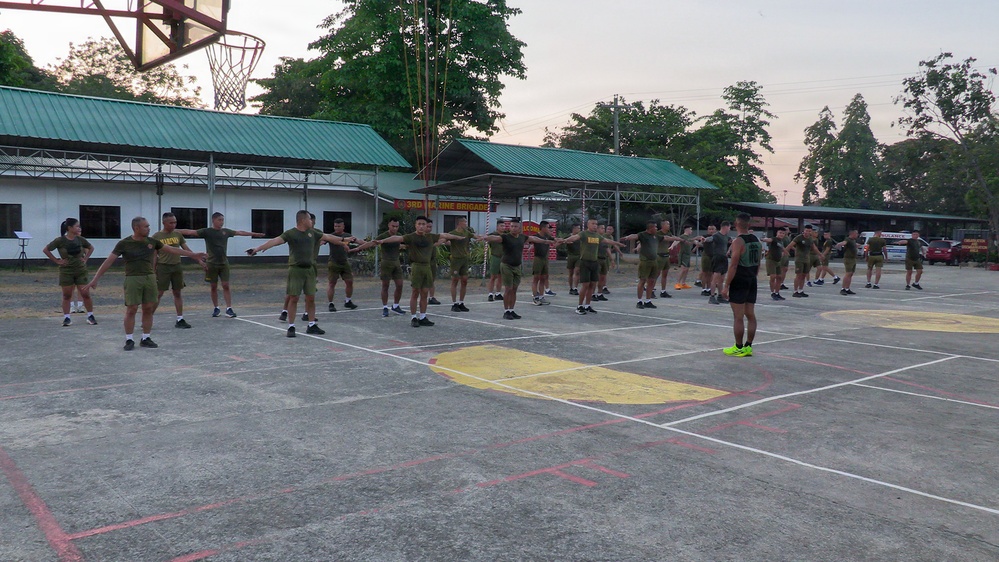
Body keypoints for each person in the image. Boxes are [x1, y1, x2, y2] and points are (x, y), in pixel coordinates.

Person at [87, 216, 207, 350]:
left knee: (148, 308)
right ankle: (129, 339)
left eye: (149, 226)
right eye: (146, 226)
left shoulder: (152, 241)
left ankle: (146, 337)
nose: (149, 229)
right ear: (136, 228)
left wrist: (193, 255)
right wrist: (95, 279)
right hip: (133, 278)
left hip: (149, 277)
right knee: (132, 309)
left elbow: (172, 249)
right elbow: (108, 261)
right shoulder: (124, 243)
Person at [247, 210, 353, 337]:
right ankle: (291, 327)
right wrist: (257, 249)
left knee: (311, 298)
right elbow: (275, 241)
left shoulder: (313, 233)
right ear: (303, 220)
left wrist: (344, 239)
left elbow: (329, 237)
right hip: (296, 269)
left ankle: (311, 325)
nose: (311, 221)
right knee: (294, 298)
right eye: (309, 219)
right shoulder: (291, 233)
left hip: (310, 269)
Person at [377, 216, 468, 327]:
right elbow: (396, 238)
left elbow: (445, 235)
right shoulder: (411, 237)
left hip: (427, 267)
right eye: (419, 224)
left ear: (426, 226)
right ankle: (413, 317)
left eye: (423, 224)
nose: (421, 226)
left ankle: (423, 317)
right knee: (415, 292)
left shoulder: (431, 237)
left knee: (425, 293)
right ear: (416, 225)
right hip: (416, 266)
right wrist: (382, 241)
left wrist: (458, 237)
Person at [177, 212, 263, 318]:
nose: (221, 222)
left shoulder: (226, 232)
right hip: (211, 264)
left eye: (222, 220)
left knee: (226, 285)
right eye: (219, 220)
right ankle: (216, 308)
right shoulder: (207, 231)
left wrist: (254, 234)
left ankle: (229, 308)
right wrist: (174, 230)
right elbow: (190, 231)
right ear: (213, 220)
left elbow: (240, 232)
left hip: (223, 263)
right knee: (213, 286)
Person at [478, 219, 555, 319]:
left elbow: (534, 238)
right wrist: (485, 237)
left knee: (514, 289)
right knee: (508, 289)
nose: (513, 228)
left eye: (515, 226)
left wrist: (547, 241)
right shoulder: (505, 237)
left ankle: (511, 310)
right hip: (506, 265)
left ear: (519, 228)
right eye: (512, 226)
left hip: (517, 266)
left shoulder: (522, 237)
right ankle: (506, 311)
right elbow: (495, 238)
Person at [558, 218, 625, 314]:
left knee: (592, 285)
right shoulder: (584, 234)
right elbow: (574, 237)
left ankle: (587, 305)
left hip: (594, 263)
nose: (595, 225)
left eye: (596, 224)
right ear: (588, 225)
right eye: (593, 224)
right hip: (585, 262)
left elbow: (607, 241)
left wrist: (617, 243)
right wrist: (565, 240)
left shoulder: (597, 236)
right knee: (585, 285)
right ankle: (579, 306)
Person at [721, 213, 762, 357]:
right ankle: (748, 346)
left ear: (736, 224)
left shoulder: (738, 241)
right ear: (749, 224)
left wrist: (726, 285)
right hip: (751, 278)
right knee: (750, 314)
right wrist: (754, 275)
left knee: (738, 316)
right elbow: (758, 261)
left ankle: (738, 346)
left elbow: (733, 265)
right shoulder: (756, 240)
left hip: (740, 279)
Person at [43, 217, 97, 326]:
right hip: (66, 271)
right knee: (67, 295)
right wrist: (57, 261)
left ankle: (90, 316)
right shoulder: (60, 240)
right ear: (69, 228)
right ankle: (67, 318)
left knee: (85, 293)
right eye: (77, 226)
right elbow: (46, 250)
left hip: (80, 270)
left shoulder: (80, 239)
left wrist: (86, 258)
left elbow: (91, 248)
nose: (79, 228)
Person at [151, 212, 201, 329]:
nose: (173, 225)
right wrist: (153, 270)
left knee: (177, 292)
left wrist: (198, 259)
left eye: (175, 222)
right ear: (164, 223)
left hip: (176, 266)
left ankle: (180, 319)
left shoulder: (178, 234)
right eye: (171, 223)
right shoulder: (156, 236)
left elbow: (186, 249)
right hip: (163, 267)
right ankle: (148, 317)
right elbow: (154, 255)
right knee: (159, 293)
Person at [620, 220, 661, 309]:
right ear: (650, 228)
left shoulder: (655, 236)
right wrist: (627, 237)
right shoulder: (643, 235)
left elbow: (667, 238)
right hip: (645, 261)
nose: (657, 228)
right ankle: (639, 301)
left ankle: (648, 301)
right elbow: (635, 236)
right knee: (642, 280)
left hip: (654, 261)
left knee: (651, 281)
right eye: (655, 227)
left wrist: (679, 239)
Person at [324, 218, 360, 312]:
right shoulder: (331, 236)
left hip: (344, 262)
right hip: (333, 262)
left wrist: (370, 243)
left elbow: (358, 241)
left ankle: (348, 301)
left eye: (339, 226)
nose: (337, 228)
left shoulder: (347, 236)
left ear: (343, 226)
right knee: (332, 283)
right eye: (335, 226)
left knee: (349, 281)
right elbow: (322, 241)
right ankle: (331, 303)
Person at [374, 218, 407, 317]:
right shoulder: (383, 236)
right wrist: (359, 247)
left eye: (397, 226)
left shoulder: (399, 235)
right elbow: (373, 243)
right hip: (386, 262)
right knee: (385, 285)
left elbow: (406, 243)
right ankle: (385, 307)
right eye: (393, 226)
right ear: (389, 225)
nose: (395, 228)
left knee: (400, 285)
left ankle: (396, 305)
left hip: (396, 262)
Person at [446, 217, 476, 312]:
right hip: (456, 259)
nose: (466, 224)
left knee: (464, 280)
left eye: (466, 222)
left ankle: (461, 302)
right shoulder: (452, 233)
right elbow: (445, 240)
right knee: (455, 280)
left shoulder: (467, 233)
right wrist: (448, 243)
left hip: (464, 259)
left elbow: (475, 236)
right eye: (464, 222)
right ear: (459, 223)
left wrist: (483, 237)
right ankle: (454, 303)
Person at [784, 225, 820, 298]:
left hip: (807, 259)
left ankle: (801, 290)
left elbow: (814, 248)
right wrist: (785, 252)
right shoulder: (799, 238)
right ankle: (795, 291)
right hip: (799, 259)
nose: (807, 232)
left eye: (809, 231)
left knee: (804, 275)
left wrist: (820, 255)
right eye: (806, 230)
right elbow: (790, 245)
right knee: (798, 275)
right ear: (804, 230)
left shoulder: (810, 239)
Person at [530, 220, 557, 305]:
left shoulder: (547, 236)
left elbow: (555, 240)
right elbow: (529, 242)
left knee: (543, 278)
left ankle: (541, 297)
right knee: (536, 278)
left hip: (545, 259)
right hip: (538, 259)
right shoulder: (536, 236)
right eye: (548, 227)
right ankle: (535, 297)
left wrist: (564, 240)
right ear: (543, 228)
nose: (549, 229)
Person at [655, 220, 683, 298]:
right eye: (667, 224)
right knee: (656, 274)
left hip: (666, 255)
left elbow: (673, 238)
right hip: (659, 255)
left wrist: (679, 240)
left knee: (665, 274)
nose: (669, 226)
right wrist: (679, 239)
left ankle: (663, 291)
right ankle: (651, 290)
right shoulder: (658, 234)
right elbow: (668, 238)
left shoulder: (668, 233)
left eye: (669, 224)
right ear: (663, 225)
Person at [707, 222, 731, 305]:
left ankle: (720, 296)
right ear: (725, 227)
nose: (729, 229)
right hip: (717, 258)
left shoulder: (726, 236)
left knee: (721, 279)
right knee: (715, 278)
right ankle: (712, 297)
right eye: (729, 227)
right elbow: (710, 239)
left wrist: (729, 250)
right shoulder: (717, 235)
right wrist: (704, 240)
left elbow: (733, 241)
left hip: (724, 258)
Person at [761, 228, 788, 301]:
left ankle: (777, 293)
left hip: (778, 261)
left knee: (779, 277)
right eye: (780, 233)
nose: (781, 234)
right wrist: (764, 239)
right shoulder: (774, 239)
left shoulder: (781, 241)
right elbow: (769, 240)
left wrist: (785, 252)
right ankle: (772, 292)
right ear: (777, 233)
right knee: (773, 276)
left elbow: (782, 248)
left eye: (783, 233)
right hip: (771, 260)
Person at [485, 220, 509, 301]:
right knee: (493, 276)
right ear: (497, 227)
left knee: (501, 276)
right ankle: (490, 294)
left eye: (504, 226)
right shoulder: (493, 235)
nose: (503, 228)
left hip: (504, 257)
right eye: (501, 226)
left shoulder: (506, 236)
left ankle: (498, 293)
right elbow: (487, 241)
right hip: (495, 257)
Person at [835, 229, 860, 295]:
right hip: (848, 259)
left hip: (853, 259)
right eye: (856, 233)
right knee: (848, 273)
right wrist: (839, 244)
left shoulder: (853, 240)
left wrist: (857, 245)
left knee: (851, 274)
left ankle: (847, 288)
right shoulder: (848, 239)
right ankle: (843, 289)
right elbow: (844, 243)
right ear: (852, 234)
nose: (857, 235)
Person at [673, 225, 697, 290]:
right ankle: (677, 283)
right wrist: (672, 246)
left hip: (688, 255)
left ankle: (683, 283)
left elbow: (696, 242)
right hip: (683, 255)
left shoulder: (690, 237)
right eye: (691, 229)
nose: (691, 231)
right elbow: (676, 241)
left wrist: (696, 246)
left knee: (686, 269)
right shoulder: (682, 236)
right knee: (683, 269)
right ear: (687, 229)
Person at [425, 218, 442, 305]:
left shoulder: (432, 236)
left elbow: (442, 238)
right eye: (427, 227)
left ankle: (431, 297)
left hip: (432, 260)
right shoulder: (420, 236)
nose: (429, 229)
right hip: (424, 261)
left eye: (430, 227)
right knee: (423, 280)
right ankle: (422, 297)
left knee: (431, 280)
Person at [698, 225, 717, 294]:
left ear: (715, 230)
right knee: (705, 273)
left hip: (713, 256)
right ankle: (703, 289)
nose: (711, 231)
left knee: (711, 273)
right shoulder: (705, 236)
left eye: (712, 229)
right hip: (706, 256)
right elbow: (702, 240)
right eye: (709, 229)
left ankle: (709, 288)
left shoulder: (717, 237)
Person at [564, 223, 582, 295]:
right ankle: (571, 287)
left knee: (577, 271)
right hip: (571, 256)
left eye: (579, 228)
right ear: (574, 229)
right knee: (570, 272)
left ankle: (575, 288)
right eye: (578, 228)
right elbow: (562, 242)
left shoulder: (580, 237)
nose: (579, 230)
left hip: (579, 256)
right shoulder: (568, 237)